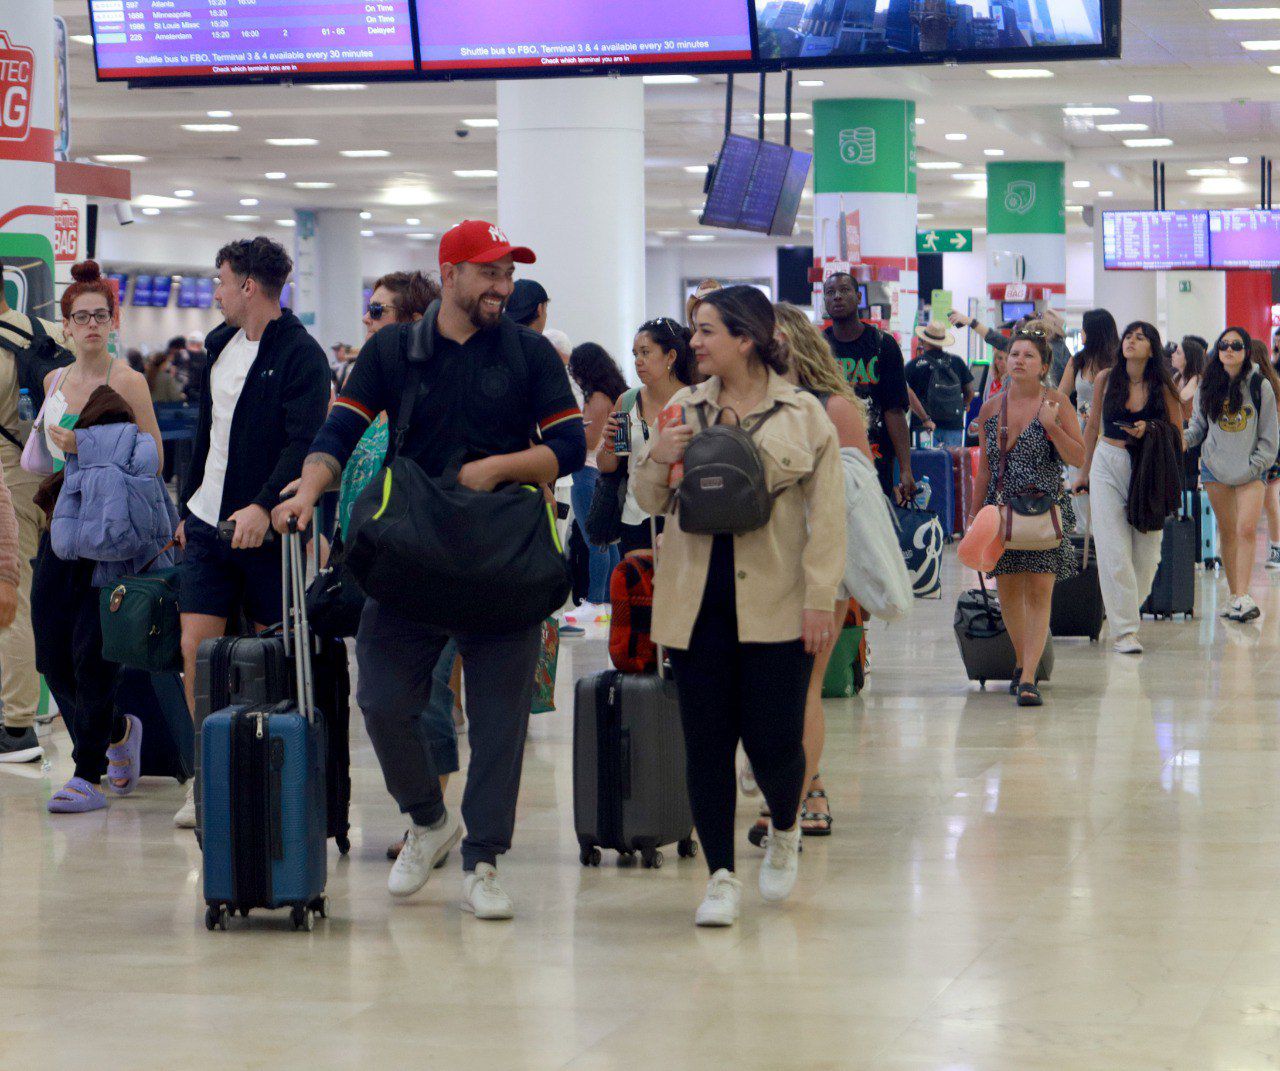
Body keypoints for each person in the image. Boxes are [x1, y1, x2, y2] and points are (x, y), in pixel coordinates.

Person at [273, 220, 585, 920]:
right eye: (489, 273)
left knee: (501, 723)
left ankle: (484, 859)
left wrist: (499, 468)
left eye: (509, 274)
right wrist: (311, 486)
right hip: (413, 556)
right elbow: (341, 429)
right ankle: (428, 816)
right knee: (382, 699)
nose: (502, 287)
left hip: (502, 560)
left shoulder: (530, 354)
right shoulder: (392, 351)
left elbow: (570, 444)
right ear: (450, 274)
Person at [632, 286, 846, 928]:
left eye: (705, 332)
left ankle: (785, 826)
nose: (692, 343)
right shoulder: (681, 409)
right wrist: (657, 456)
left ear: (745, 339)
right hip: (696, 603)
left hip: (778, 602)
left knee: (776, 743)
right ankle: (720, 877)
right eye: (694, 332)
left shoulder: (804, 415)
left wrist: (819, 601)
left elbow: (828, 519)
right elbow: (647, 501)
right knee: (705, 743)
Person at [172, 237, 331, 829]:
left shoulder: (301, 355)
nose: (214, 292)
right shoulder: (219, 346)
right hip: (208, 522)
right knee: (196, 649)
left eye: (220, 280)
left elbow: (303, 442)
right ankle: (207, 775)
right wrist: (188, 511)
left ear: (247, 286)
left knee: (274, 653)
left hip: (267, 534)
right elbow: (209, 438)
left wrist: (265, 506)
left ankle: (273, 768)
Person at [32, 262, 175, 811]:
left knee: (93, 655)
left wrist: (83, 448)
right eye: (80, 317)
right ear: (65, 326)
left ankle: (86, 771)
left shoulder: (128, 381)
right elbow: (47, 453)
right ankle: (117, 731)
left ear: (113, 321)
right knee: (52, 654)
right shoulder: (54, 381)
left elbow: (153, 455)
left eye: (100, 315)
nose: (90, 325)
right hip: (61, 530)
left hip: (110, 537)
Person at [769, 301, 871, 837]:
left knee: (803, 687)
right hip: (756, 566)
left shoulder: (835, 408)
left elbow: (857, 500)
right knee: (770, 690)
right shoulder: (743, 403)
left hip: (817, 570)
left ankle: (796, 795)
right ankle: (797, 787)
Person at [969, 326, 1084, 706]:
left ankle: (1030, 674)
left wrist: (1052, 429)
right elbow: (984, 469)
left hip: (1045, 512)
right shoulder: (990, 409)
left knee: (1038, 591)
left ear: (1044, 365)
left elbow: (1078, 457)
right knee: (1008, 593)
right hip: (1001, 513)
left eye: (1028, 355)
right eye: (1013, 354)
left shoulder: (1057, 404)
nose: (1017, 360)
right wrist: (973, 519)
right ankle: (1022, 661)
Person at [1074, 321, 1183, 655]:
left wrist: (1150, 428)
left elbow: (1177, 432)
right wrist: (1083, 471)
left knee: (1147, 557)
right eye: (1128, 336)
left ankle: (1123, 609)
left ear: (1152, 347)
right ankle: (1125, 630)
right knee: (1113, 550)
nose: (1132, 341)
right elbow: (1092, 427)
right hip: (1107, 462)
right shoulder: (1106, 379)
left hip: (1148, 468)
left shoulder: (1162, 385)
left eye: (1141, 337)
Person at [0, 265, 68, 762]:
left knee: (12, 602)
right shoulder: (43, 332)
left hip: (7, 482)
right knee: (51, 600)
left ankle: (17, 725)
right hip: (53, 474)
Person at [1185, 329, 1280, 623]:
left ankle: (1243, 595)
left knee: (1246, 530)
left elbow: (1269, 434)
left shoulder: (1259, 384)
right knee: (1227, 532)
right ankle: (1235, 595)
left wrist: (1257, 465)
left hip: (1251, 471)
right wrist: (1182, 439)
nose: (1229, 350)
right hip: (1216, 469)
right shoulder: (1207, 384)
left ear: (1246, 351)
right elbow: (1199, 427)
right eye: (1223, 345)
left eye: (1236, 345)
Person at [598, 317, 697, 555]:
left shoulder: (694, 400)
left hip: (682, 515)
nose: (638, 362)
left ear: (670, 357)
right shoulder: (627, 400)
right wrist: (609, 442)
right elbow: (608, 466)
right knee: (639, 590)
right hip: (634, 514)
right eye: (635, 355)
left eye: (645, 353)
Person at [822, 272, 914, 502]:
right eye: (830, 292)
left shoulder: (883, 345)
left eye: (844, 290)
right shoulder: (818, 348)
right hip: (829, 455)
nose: (837, 297)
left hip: (876, 457)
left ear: (858, 296)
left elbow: (894, 410)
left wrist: (905, 468)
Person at [565, 342, 628, 620]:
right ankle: (607, 601)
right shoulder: (614, 394)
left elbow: (589, 440)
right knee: (608, 541)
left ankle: (594, 602)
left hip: (586, 471)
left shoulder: (595, 398)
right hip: (602, 473)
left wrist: (568, 427)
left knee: (595, 541)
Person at [950, 308, 1072, 387]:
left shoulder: (1043, 347)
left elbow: (996, 339)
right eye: (1015, 355)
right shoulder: (1065, 353)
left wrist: (970, 321)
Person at [906, 321, 975, 449]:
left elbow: (905, 392)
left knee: (925, 465)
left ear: (923, 341)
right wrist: (965, 404)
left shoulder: (914, 365)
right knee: (950, 464)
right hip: (953, 425)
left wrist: (925, 419)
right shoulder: (957, 362)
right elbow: (970, 391)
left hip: (924, 427)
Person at [1170, 335, 1206, 426]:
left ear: (1188, 359)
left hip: (1191, 431)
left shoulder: (1197, 381)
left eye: (1178, 353)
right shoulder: (1177, 377)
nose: (1172, 355)